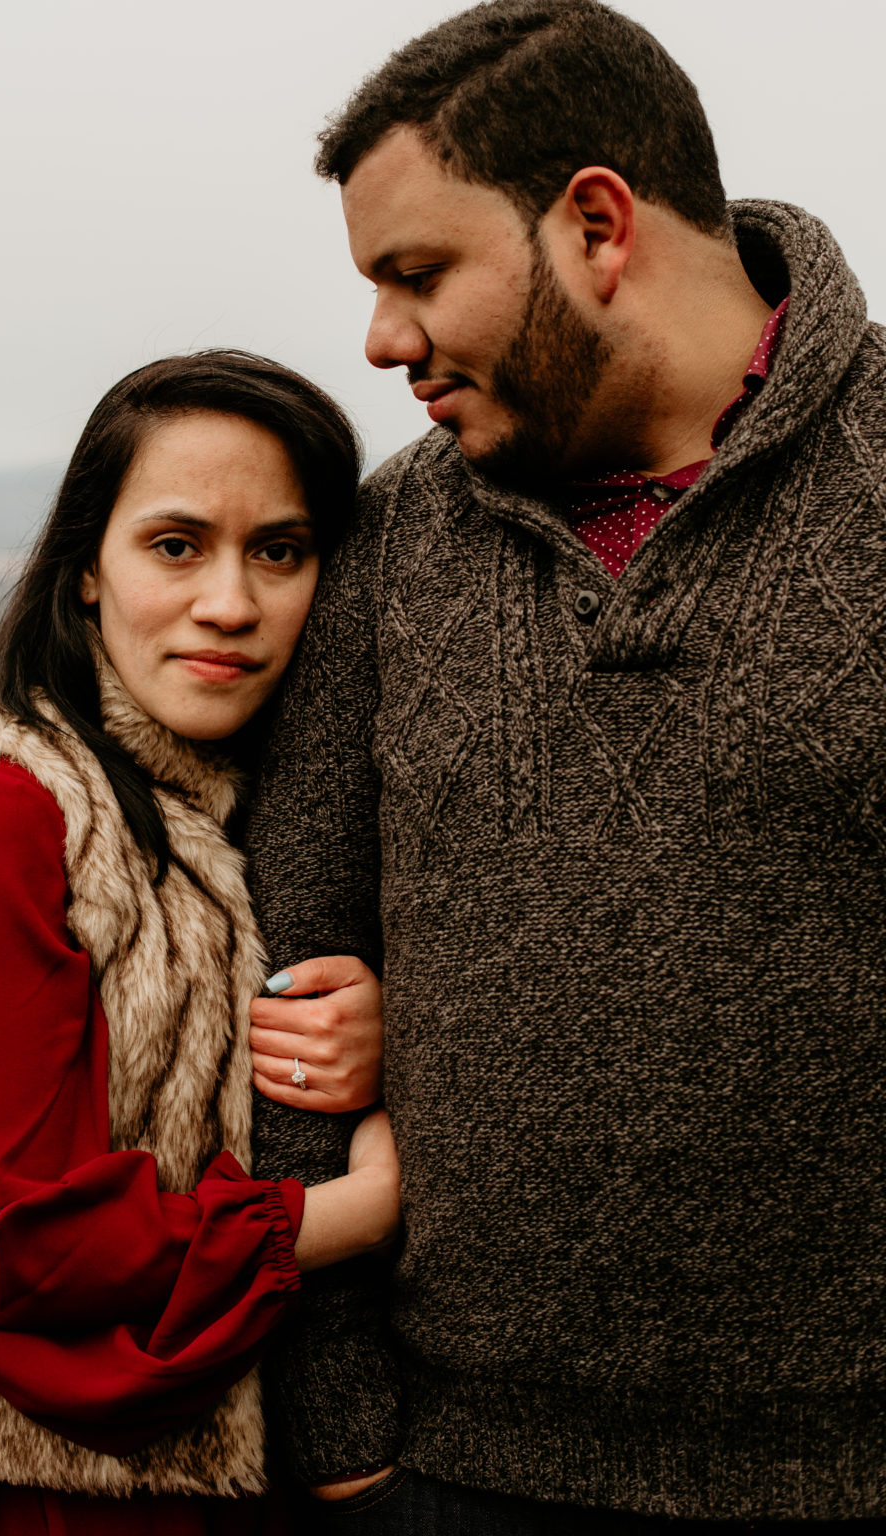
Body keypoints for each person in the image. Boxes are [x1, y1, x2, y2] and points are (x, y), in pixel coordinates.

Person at [245, 1, 886, 1530]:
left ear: (598, 223)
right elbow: (296, 965)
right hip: (458, 1480)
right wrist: (343, 1441)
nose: (383, 338)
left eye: (418, 274)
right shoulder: (398, 537)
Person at [0, 349, 398, 1536]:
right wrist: (354, 1212)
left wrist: (369, 1031)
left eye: (280, 550)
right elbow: (3, 1240)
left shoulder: (238, 799)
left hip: (260, 1480)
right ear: (87, 569)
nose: (230, 603)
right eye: (175, 544)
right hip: (61, 1497)